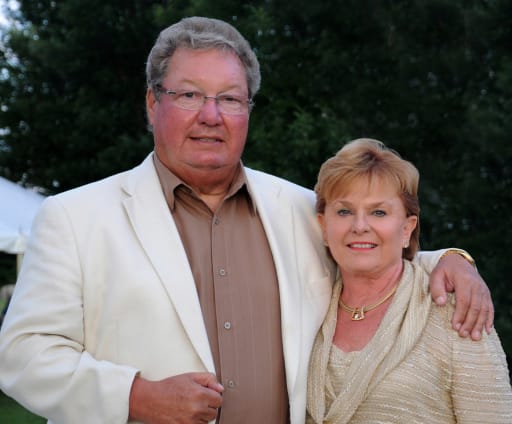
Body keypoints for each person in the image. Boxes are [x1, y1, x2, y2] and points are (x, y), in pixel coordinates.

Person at [0, 17, 494, 424]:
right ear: (153, 103)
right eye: (189, 95)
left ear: (248, 110)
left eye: (230, 99)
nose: (210, 115)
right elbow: (21, 354)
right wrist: (134, 396)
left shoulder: (299, 207)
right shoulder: (75, 217)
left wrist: (449, 261)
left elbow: (369, 251)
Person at [307, 138, 512, 423]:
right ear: (324, 226)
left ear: (407, 228)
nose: (360, 226)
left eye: (379, 212)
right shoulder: (307, 309)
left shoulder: (455, 313)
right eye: (344, 211)